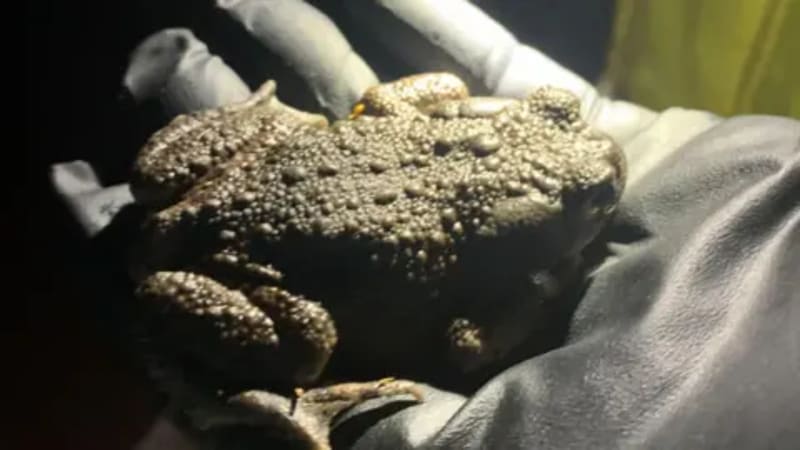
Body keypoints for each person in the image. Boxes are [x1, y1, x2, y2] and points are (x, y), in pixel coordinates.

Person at [51, 1, 799, 449]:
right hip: (251, 271)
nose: (598, 154)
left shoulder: (447, 124)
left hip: (266, 170)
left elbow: (402, 97)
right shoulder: (497, 256)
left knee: (168, 180)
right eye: (554, 114)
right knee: (307, 346)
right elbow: (468, 344)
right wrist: (552, 288)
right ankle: (254, 389)